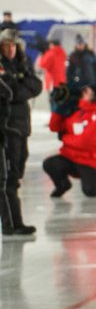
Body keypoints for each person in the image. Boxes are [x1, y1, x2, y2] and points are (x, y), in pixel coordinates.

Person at [0, 29, 41, 238]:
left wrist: (18, 86)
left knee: (17, 173)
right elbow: (8, 91)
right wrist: (19, 87)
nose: (11, 49)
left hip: (22, 128)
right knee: (9, 178)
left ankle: (15, 222)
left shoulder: (22, 63)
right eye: (6, 45)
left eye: (13, 45)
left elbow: (36, 85)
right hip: (8, 129)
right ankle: (12, 224)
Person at [43, 83, 96, 198]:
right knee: (50, 164)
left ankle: (89, 177)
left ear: (94, 97)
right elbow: (54, 127)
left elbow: (85, 142)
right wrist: (58, 108)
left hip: (89, 161)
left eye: (86, 92)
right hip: (70, 157)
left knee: (91, 191)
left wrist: (65, 138)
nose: (82, 93)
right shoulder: (76, 112)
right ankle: (62, 185)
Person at [66, 34, 96, 99]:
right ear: (76, 45)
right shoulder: (72, 56)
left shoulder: (91, 54)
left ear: (84, 44)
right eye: (79, 44)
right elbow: (69, 72)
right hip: (78, 84)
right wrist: (71, 84)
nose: (80, 46)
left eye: (82, 44)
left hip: (91, 83)